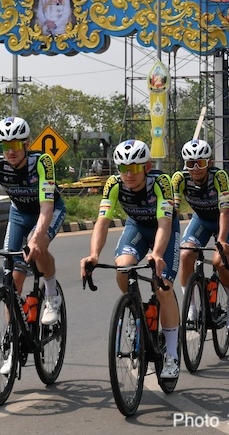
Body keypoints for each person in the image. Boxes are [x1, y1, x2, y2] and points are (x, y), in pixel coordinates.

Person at [79, 139, 180, 379]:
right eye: (123, 168)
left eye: (134, 168)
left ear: (145, 167)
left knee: (163, 288)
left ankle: (172, 356)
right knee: (123, 267)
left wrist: (156, 253)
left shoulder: (161, 182)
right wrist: (94, 255)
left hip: (162, 229)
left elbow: (165, 224)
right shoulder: (114, 184)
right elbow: (102, 222)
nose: (128, 174)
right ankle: (138, 314)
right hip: (136, 226)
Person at [0, 117, 67, 374]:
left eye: (16, 143)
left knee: (37, 248)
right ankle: (12, 341)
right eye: (5, 145)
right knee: (11, 277)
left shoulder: (42, 162)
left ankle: (51, 295)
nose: (11, 150)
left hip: (47, 209)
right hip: (19, 213)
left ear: (27, 143)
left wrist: (37, 237)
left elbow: (47, 207)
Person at [171, 139, 229, 330]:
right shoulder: (179, 178)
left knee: (220, 262)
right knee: (185, 254)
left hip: (222, 219)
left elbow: (225, 210)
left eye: (200, 163)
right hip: (200, 220)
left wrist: (222, 240)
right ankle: (191, 308)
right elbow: (173, 213)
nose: (195, 168)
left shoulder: (219, 176)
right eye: (190, 163)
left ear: (209, 162)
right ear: (185, 164)